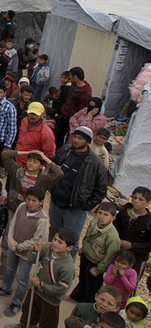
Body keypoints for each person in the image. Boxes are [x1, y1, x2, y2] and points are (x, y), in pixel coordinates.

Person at [0, 186, 50, 318]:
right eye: (28, 199)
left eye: (34, 201)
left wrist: (21, 246)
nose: (30, 203)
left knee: (23, 280)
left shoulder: (43, 220)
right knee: (9, 269)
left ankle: (17, 303)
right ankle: (5, 288)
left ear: (40, 202)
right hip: (14, 247)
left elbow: (37, 240)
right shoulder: (21, 207)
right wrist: (11, 241)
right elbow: (13, 223)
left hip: (27, 254)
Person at [49, 126, 109, 259]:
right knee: (54, 233)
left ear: (87, 141)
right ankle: (50, 263)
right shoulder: (64, 151)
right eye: (75, 137)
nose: (75, 140)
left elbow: (101, 190)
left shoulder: (94, 163)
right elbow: (52, 169)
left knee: (71, 241)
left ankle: (65, 271)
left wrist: (85, 205)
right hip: (56, 203)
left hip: (75, 210)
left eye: (80, 138)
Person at [5, 228, 77, 328]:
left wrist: (40, 285)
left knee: (47, 321)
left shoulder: (68, 267)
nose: (55, 243)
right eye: (55, 239)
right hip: (35, 290)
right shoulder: (47, 247)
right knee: (28, 310)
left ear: (69, 248)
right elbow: (31, 259)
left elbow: (61, 289)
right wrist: (34, 250)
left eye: (60, 242)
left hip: (50, 299)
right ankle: (24, 326)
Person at [70, 201, 121, 303]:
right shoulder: (94, 222)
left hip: (96, 263)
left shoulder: (112, 236)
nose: (101, 217)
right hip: (86, 256)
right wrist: (83, 248)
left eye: (106, 215)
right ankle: (77, 297)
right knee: (82, 279)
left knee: (92, 287)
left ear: (113, 217)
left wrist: (98, 270)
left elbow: (110, 257)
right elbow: (87, 235)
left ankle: (88, 305)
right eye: (100, 213)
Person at [114, 186, 151, 276]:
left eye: (141, 199)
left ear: (148, 203)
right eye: (134, 198)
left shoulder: (148, 221)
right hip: (119, 256)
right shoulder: (126, 211)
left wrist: (131, 245)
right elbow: (115, 227)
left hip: (137, 259)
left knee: (130, 286)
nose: (136, 201)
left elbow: (149, 245)